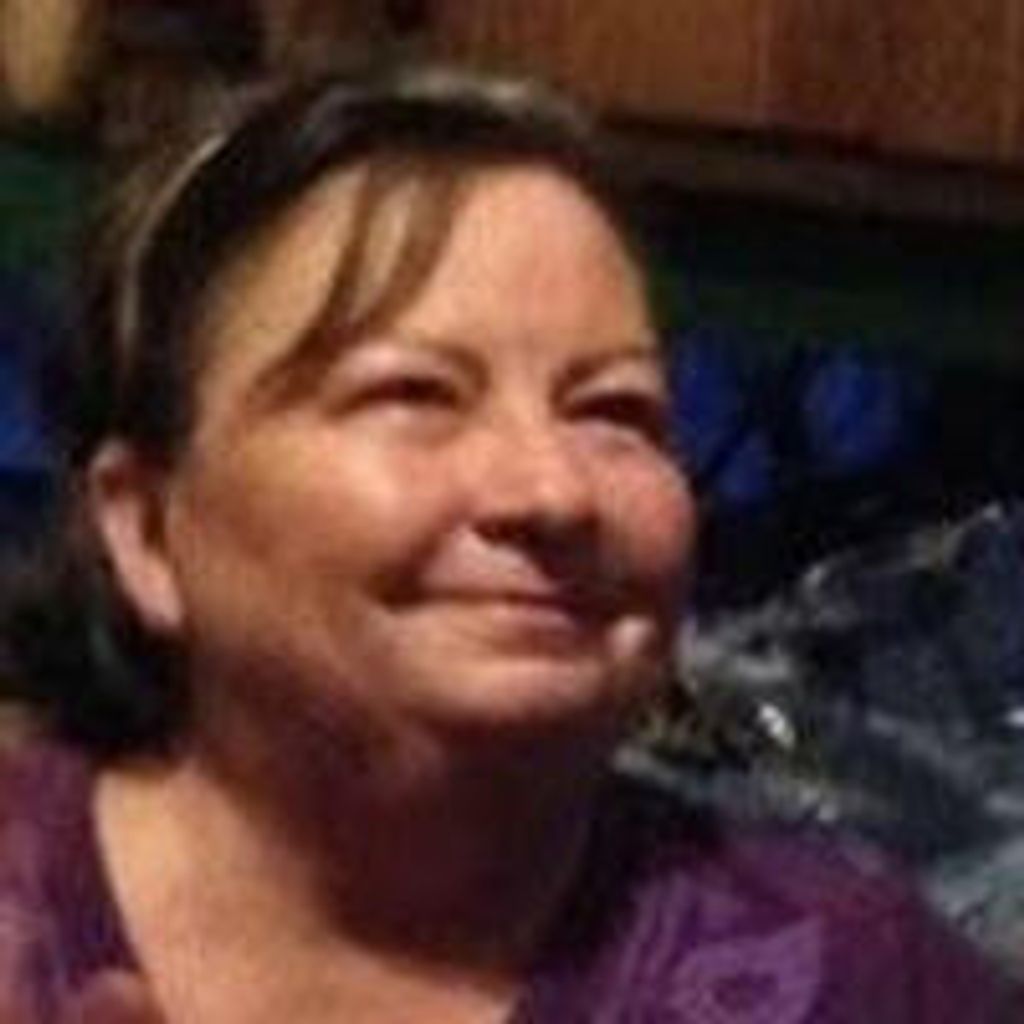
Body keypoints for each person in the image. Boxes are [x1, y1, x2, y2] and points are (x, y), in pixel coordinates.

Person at [0, 65, 1017, 1023]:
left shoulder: (853, 977)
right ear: (144, 526)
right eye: (413, 394)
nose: (551, 491)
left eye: (613, 410)